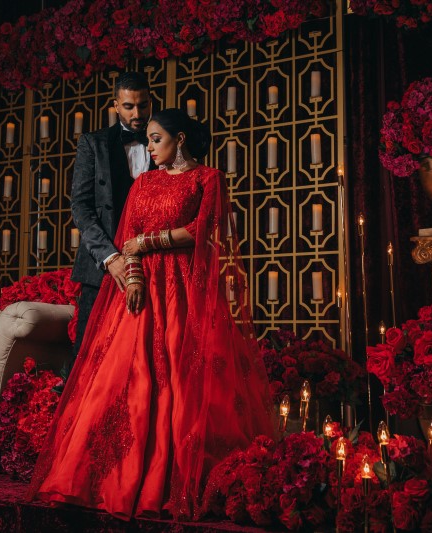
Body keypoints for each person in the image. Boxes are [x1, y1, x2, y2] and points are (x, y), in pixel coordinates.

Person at [27, 109, 275, 521]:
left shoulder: (207, 178)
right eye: (148, 141)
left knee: (182, 370)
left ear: (179, 139)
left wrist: (146, 242)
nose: (150, 147)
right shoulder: (144, 182)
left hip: (185, 288)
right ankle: (112, 479)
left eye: (156, 139)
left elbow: (201, 230)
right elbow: (127, 238)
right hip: (144, 288)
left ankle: (175, 481)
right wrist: (136, 276)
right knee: (130, 376)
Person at [63, 71, 153, 388]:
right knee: (87, 357)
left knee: (147, 357)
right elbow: (81, 207)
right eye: (129, 106)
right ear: (116, 105)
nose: (137, 114)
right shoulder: (94, 143)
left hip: (153, 262)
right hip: (102, 265)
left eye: (143, 105)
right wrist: (110, 257)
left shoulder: (167, 140)